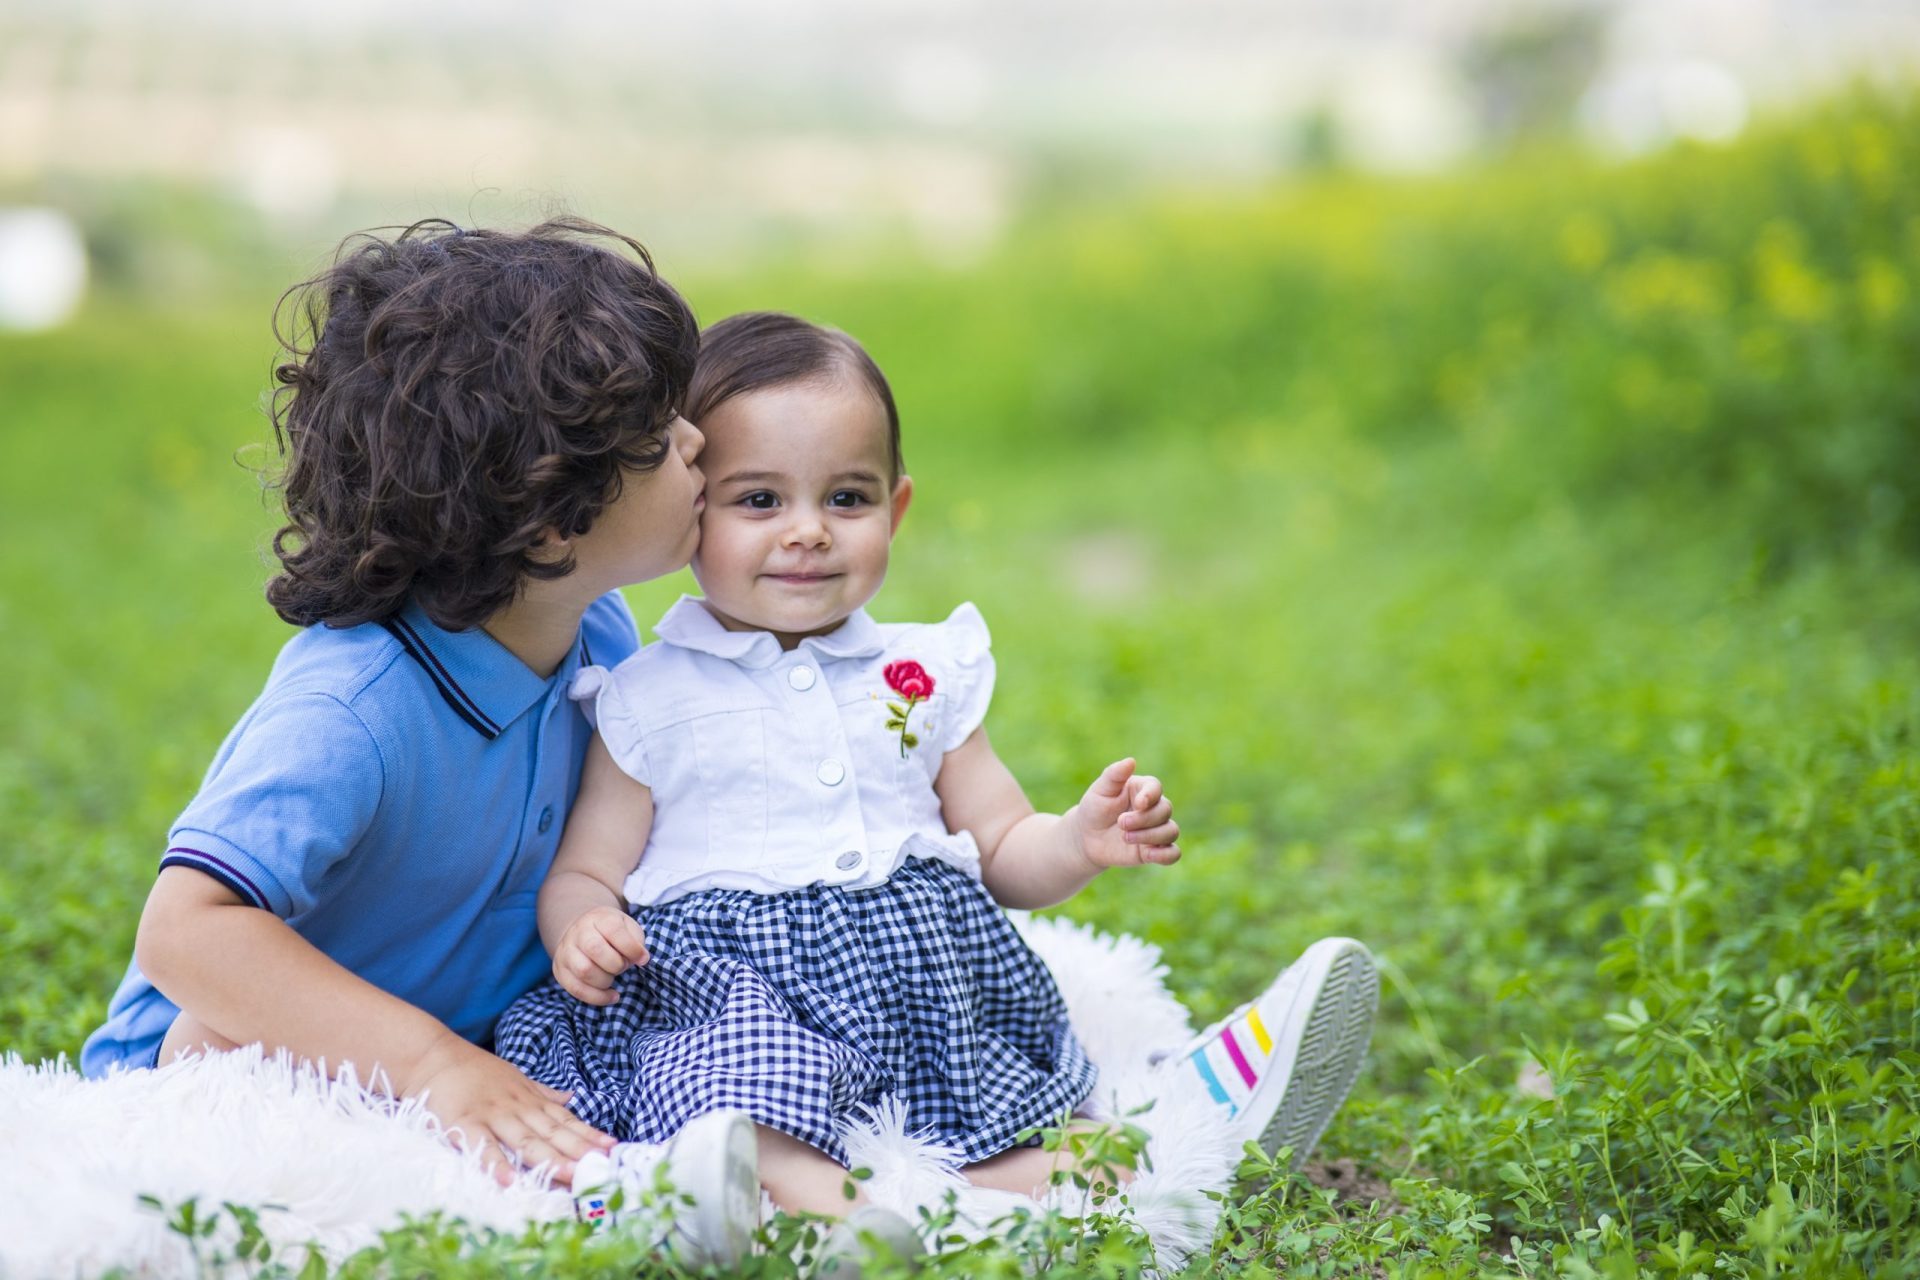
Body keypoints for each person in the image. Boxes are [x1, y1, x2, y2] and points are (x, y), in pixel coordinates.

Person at [494, 312, 1381, 1259]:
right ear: (690, 513)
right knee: (732, 1105)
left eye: (846, 498)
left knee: (1054, 1140)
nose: (807, 533)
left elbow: (999, 846)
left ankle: (1184, 1140)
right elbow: (587, 869)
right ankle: (830, 1223)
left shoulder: (925, 672)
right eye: (759, 501)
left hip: (922, 994)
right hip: (739, 992)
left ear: (897, 511)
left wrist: (1076, 841)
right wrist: (582, 926)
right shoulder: (648, 697)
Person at [79, 218, 717, 1196]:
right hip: (243, 1063)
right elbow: (186, 930)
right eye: (658, 436)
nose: (699, 440)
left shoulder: (603, 635)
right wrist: (427, 1064)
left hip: (472, 1047)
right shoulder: (354, 706)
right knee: (210, 1051)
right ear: (552, 514)